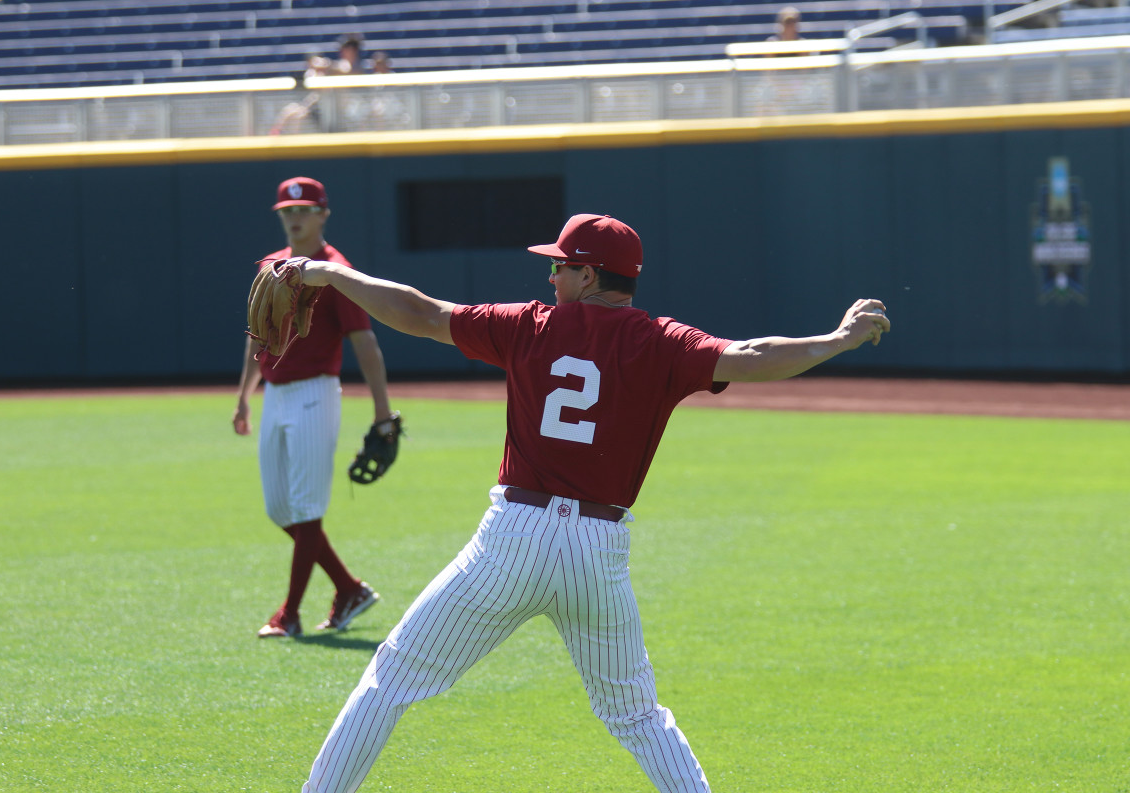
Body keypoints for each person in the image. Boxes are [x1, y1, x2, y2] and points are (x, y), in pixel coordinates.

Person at [287, 213, 891, 791]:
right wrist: (837, 340)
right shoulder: (661, 341)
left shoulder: (529, 325)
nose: (550, 278)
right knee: (638, 718)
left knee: (390, 681)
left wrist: (334, 275)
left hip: (513, 541)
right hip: (596, 552)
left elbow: (420, 313)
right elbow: (754, 356)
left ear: (589, 274)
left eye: (560, 267)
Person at [233, 176, 395, 638]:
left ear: (323, 214)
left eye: (304, 210)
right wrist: (244, 396)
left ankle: (290, 615)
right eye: (287, 211)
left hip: (316, 393)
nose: (295, 217)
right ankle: (348, 588)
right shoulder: (271, 266)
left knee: (305, 509)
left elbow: (365, 343)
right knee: (279, 508)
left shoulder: (335, 270)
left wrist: (382, 411)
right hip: (276, 394)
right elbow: (257, 339)